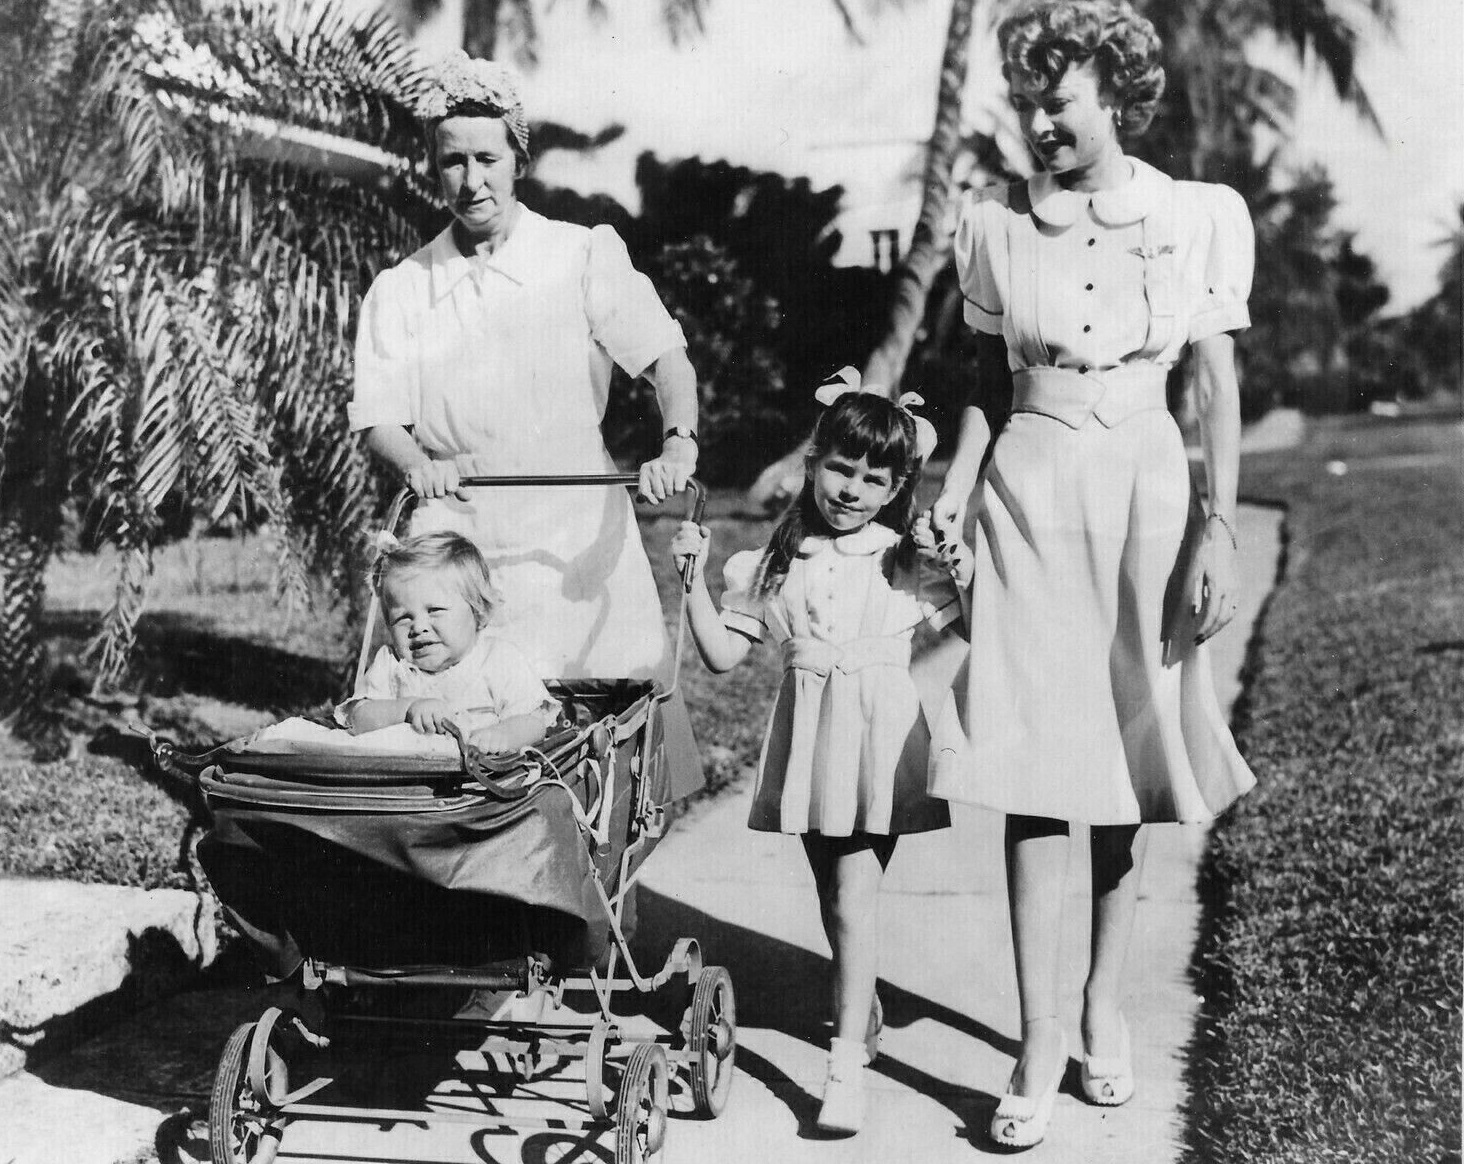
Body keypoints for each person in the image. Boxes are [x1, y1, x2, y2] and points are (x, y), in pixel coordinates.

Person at [926, 0, 1258, 1148]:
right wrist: (957, 495)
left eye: (1057, 102)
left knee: (1124, 765)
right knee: (1028, 766)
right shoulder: (990, 226)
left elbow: (1213, 383)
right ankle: (1029, 1042)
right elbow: (980, 375)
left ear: (1114, 95)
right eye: (1025, 103)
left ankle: (1099, 1012)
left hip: (1144, 495)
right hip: (1028, 493)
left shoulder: (1191, 216)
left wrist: (1217, 525)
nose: (1037, 123)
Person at [348, 53, 701, 795]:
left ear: (518, 156)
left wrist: (678, 441)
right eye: (452, 162)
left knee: (601, 737)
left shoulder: (578, 254)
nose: (472, 181)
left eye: (487, 157)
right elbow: (378, 417)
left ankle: (610, 906)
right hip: (456, 540)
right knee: (457, 749)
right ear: (431, 168)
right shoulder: (402, 288)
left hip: (572, 535)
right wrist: (415, 461)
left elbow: (667, 361)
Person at [672, 377, 971, 1136]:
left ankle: (842, 1067)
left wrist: (961, 564)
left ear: (899, 486)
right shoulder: (776, 561)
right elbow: (715, 656)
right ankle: (858, 1000)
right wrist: (693, 579)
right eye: (842, 469)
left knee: (852, 896)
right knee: (831, 896)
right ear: (813, 462)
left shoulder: (903, 559)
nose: (853, 489)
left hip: (880, 738)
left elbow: (976, 624)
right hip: (810, 739)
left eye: (876, 479)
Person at [336, 531, 559, 752]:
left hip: (481, 779)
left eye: (435, 610)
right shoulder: (391, 664)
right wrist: (407, 709)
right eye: (403, 617)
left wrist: (503, 735)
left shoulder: (498, 659)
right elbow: (359, 717)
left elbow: (534, 721)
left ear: (477, 611)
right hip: (406, 780)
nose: (418, 627)